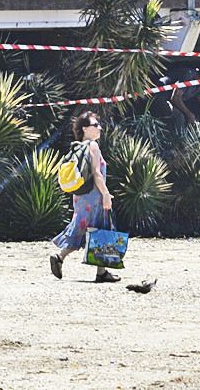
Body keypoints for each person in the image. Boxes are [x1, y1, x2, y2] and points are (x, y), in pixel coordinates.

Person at [48, 111, 117, 283]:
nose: (99, 128)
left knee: (89, 228)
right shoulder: (92, 146)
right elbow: (96, 174)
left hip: (81, 197)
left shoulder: (79, 146)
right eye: (95, 125)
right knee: (97, 229)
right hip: (94, 197)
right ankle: (60, 256)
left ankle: (101, 271)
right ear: (85, 128)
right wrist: (106, 194)